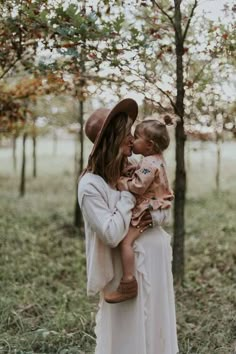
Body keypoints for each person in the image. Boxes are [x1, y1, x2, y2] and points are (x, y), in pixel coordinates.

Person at [78, 98, 179, 354]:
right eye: (127, 134)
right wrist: (127, 195)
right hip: (124, 269)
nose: (132, 140)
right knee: (129, 336)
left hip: (154, 258)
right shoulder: (91, 185)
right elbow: (112, 234)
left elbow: (162, 208)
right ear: (113, 139)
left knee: (155, 328)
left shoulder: (136, 167)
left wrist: (153, 218)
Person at [104, 117, 174, 304]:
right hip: (156, 203)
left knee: (125, 243)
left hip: (147, 207)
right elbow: (144, 172)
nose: (132, 140)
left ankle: (128, 283)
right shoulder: (155, 160)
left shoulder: (148, 164)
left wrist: (122, 183)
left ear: (149, 145)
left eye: (136, 137)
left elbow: (138, 186)